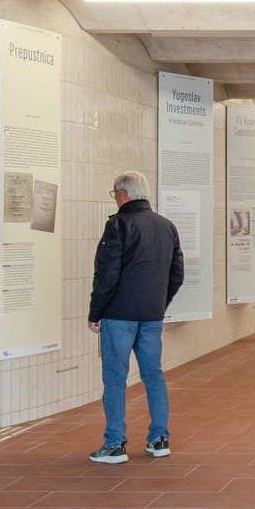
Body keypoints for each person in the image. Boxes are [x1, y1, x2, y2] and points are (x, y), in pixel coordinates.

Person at [88, 171, 186, 464]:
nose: (115, 198)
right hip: (152, 316)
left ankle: (115, 445)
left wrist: (96, 312)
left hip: (119, 315)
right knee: (153, 375)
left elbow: (106, 274)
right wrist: (159, 302)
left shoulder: (118, 225)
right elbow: (177, 274)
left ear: (124, 194)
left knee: (115, 378)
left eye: (114, 193)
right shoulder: (167, 226)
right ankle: (159, 440)